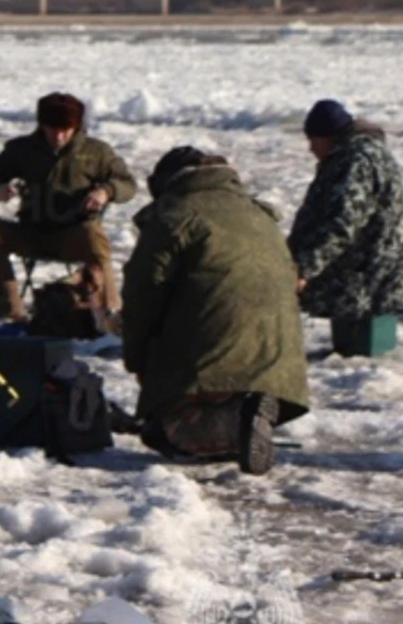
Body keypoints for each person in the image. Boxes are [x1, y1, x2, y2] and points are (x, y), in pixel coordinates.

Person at [124, 148, 310, 475]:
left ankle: (234, 422)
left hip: (216, 343)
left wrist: (138, 357)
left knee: (170, 433)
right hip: (281, 362)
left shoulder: (174, 213)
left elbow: (143, 295)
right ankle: (244, 412)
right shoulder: (259, 213)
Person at [0, 92, 135, 323]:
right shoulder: (21, 150)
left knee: (93, 233)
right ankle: (5, 301)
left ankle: (109, 312)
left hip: (73, 236)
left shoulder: (97, 152)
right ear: (41, 125)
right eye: (52, 129)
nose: (59, 136)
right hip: (31, 233)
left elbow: (127, 183)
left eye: (66, 129)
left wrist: (106, 191)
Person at [288, 99, 403, 327]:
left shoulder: (355, 162)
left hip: (368, 275)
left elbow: (342, 224)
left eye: (313, 141)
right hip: (380, 270)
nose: (311, 149)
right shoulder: (363, 153)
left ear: (328, 136)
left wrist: (303, 268)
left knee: (360, 341)